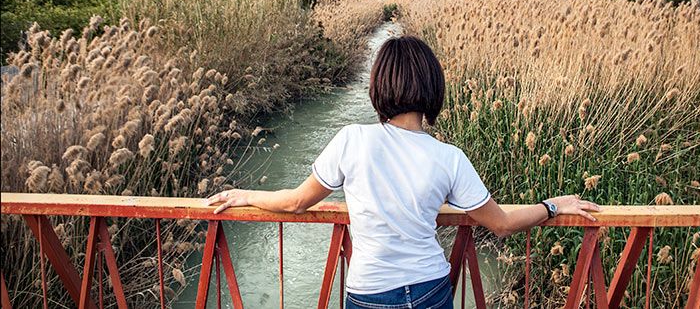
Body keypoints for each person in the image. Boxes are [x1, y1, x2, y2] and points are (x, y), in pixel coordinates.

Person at [208, 35, 599, 308]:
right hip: (430, 290)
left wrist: (245, 195)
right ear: (432, 87)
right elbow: (501, 223)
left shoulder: (352, 140)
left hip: (370, 293)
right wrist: (552, 205)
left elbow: (295, 203)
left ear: (379, 86)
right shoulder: (449, 157)